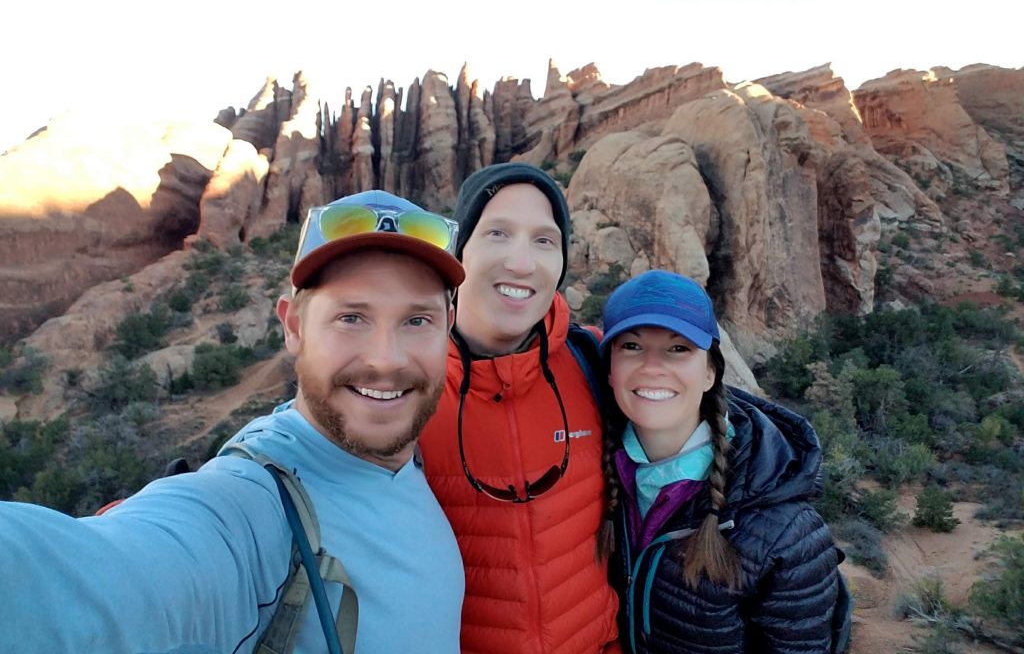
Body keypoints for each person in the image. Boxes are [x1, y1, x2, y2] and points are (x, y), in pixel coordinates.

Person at [0, 190, 467, 654]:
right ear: (294, 327)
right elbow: (104, 579)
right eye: (351, 317)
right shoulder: (255, 501)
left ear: (448, 326)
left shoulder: (413, 450)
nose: (386, 360)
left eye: (417, 320)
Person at [418, 162, 620, 653]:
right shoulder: (403, 383)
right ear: (459, 251)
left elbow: (707, 426)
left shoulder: (596, 361)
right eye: (497, 233)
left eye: (544, 241)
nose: (522, 263)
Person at [598, 269, 851, 654]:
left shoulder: (784, 533)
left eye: (678, 348)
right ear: (610, 371)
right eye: (631, 346)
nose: (652, 366)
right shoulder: (594, 480)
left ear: (711, 372)